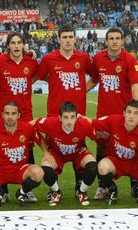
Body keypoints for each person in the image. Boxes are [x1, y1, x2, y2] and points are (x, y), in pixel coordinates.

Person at [35, 24, 93, 195]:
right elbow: (40, 76)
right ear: (59, 39)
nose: (68, 40)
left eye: (70, 37)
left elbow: (94, 78)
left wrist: (83, 89)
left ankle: (78, 185)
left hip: (77, 114)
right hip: (55, 113)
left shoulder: (83, 58)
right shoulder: (48, 59)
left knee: (78, 146)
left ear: (75, 38)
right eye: (64, 37)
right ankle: (54, 188)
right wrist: (54, 81)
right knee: (54, 149)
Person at [87, 28, 138, 200]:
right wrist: (79, 93)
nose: (114, 41)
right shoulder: (97, 58)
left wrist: (135, 111)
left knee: (130, 148)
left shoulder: (129, 59)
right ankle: (103, 186)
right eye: (111, 38)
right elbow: (94, 80)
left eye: (118, 38)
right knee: (102, 147)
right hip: (103, 113)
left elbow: (135, 86)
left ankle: (136, 185)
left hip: (124, 115)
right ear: (106, 41)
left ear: (123, 40)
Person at [0, 31, 39, 202]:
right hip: (4, 112)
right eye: (13, 43)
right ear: (8, 46)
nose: (16, 46)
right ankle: (2, 189)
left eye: (19, 42)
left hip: (25, 112)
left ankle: (26, 189)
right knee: (0, 149)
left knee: (28, 147)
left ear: (24, 45)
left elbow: (36, 75)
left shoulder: (31, 61)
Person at [0, 101, 45, 207]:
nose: (10, 117)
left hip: (20, 169)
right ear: (2, 115)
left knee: (39, 173)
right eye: (7, 113)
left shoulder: (27, 128)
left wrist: (46, 152)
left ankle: (21, 193)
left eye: (13, 113)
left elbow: (40, 139)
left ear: (18, 115)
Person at [93, 100, 138, 207]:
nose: (131, 116)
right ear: (124, 113)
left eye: (136, 113)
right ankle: (113, 190)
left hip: (135, 164)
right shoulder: (114, 120)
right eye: (129, 112)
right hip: (116, 161)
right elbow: (93, 123)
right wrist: (79, 118)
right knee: (102, 167)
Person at [30, 101, 97, 206]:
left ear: (76, 117)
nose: (69, 121)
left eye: (72, 117)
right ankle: (56, 192)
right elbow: (31, 125)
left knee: (93, 166)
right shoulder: (50, 123)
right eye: (65, 117)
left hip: (78, 152)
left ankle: (81, 192)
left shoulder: (83, 124)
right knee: (45, 168)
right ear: (60, 118)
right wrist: (46, 151)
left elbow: (98, 134)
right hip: (57, 152)